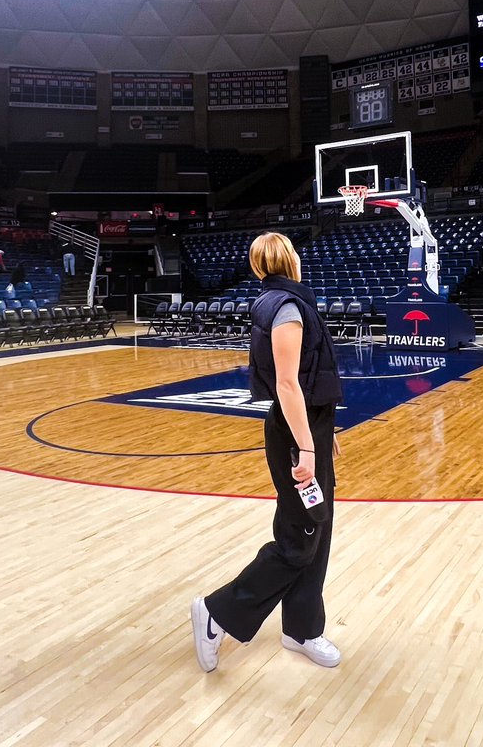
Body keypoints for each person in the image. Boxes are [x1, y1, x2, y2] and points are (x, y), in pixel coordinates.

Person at [192, 232, 343, 673]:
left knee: (317, 532)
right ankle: (216, 612)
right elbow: (287, 383)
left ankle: (302, 629)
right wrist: (306, 445)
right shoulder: (287, 308)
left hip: (308, 424)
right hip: (296, 431)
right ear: (289, 259)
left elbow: (308, 381)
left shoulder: (278, 301)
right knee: (299, 542)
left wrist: (322, 429)